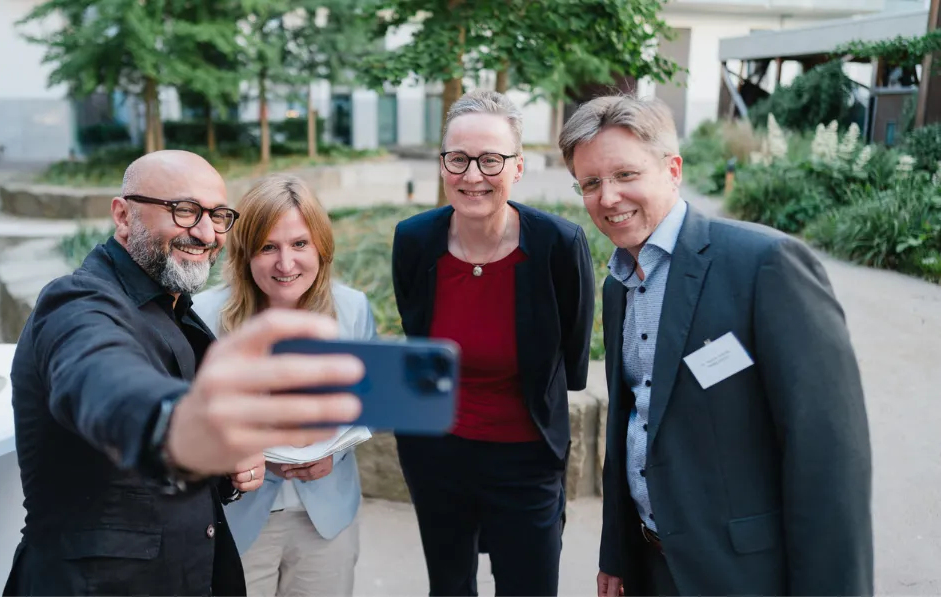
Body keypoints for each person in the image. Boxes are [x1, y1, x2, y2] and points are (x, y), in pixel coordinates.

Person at [3, 150, 365, 596]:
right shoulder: (77, 303)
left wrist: (228, 465)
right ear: (123, 214)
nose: (205, 231)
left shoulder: (180, 310)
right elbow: (103, 380)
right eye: (184, 210)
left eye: (217, 215)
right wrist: (181, 427)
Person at [557, 95, 873, 596]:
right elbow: (631, 424)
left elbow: (828, 456)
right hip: (651, 564)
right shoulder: (618, 284)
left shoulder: (764, 265)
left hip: (744, 575)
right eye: (591, 183)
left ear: (673, 169)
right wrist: (616, 552)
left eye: (625, 175)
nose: (608, 197)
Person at [390, 89, 596, 596]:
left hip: (526, 458)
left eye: (491, 159)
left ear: (518, 167)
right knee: (450, 587)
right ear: (443, 165)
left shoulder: (558, 245)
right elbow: (418, 334)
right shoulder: (414, 240)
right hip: (436, 454)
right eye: (457, 159)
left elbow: (572, 352)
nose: (473, 174)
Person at [193, 174, 375, 596]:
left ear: (320, 247)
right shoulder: (202, 316)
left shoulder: (352, 310)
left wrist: (334, 453)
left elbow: (366, 406)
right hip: (236, 519)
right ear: (245, 252)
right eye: (268, 247)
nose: (285, 264)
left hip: (326, 516)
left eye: (299, 244)